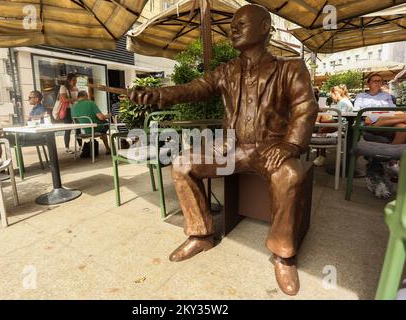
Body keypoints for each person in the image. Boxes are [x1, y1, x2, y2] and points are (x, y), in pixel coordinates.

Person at [129, 4, 318, 296]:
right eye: (232, 25)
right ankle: (200, 234)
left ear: (265, 26)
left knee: (290, 175)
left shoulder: (290, 68)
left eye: (241, 23)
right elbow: (192, 88)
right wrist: (156, 94)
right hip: (232, 148)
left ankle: (283, 254)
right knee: (182, 163)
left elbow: (305, 108)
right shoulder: (226, 71)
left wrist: (291, 143)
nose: (233, 29)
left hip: (271, 149)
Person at [0, 90, 47, 158]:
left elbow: (44, 116)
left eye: (30, 97)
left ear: (36, 99)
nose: (28, 99)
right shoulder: (35, 109)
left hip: (30, 136)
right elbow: (27, 123)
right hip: (26, 134)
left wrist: (30, 118)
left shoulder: (41, 109)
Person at [313, 84, 353, 166]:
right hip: (341, 124)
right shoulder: (343, 102)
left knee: (322, 129)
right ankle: (321, 155)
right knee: (321, 122)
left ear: (336, 93)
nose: (331, 97)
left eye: (332, 95)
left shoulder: (343, 103)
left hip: (342, 126)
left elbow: (339, 119)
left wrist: (322, 123)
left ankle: (322, 156)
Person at [59, 73, 81, 154]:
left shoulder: (76, 89)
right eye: (74, 80)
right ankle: (67, 147)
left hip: (75, 110)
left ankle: (80, 146)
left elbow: (78, 100)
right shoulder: (63, 87)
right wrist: (76, 99)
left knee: (78, 128)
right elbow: (64, 99)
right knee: (68, 129)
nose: (75, 82)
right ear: (68, 80)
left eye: (76, 80)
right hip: (67, 111)